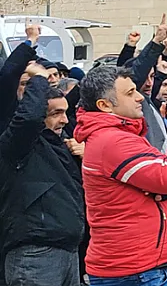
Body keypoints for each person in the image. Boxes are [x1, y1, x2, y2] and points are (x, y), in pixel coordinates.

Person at [74, 64, 167, 285]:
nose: (140, 97)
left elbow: (164, 180)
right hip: (133, 270)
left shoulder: (117, 134)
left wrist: (160, 190)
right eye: (130, 93)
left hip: (136, 266)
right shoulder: (112, 140)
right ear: (104, 105)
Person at [0, 74, 84, 286]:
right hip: (34, 254)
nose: (64, 120)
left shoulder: (59, 146)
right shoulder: (19, 146)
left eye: (65, 112)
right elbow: (27, 119)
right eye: (56, 113)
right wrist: (38, 79)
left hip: (68, 251)